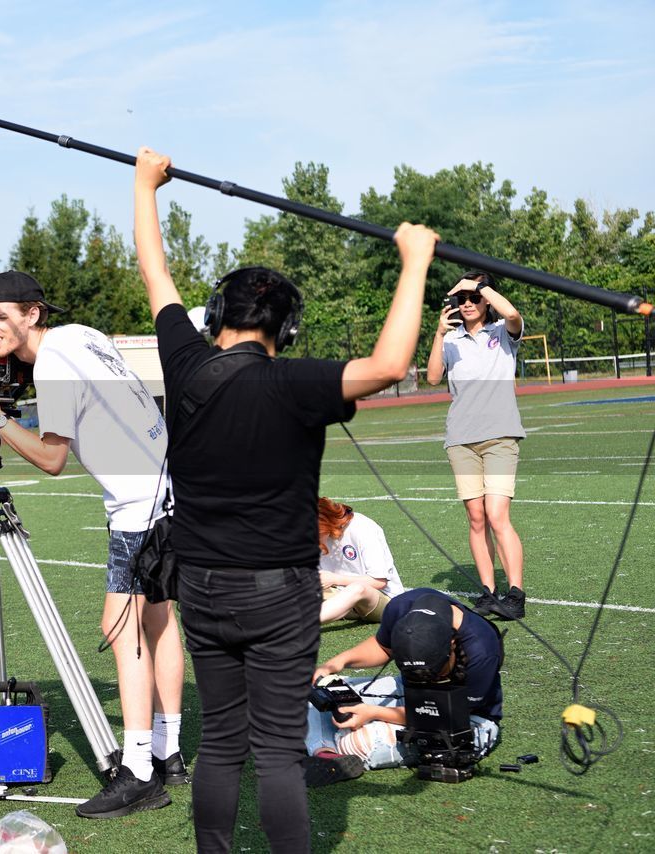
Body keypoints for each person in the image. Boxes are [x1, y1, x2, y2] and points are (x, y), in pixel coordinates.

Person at [134, 146, 438, 853]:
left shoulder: (184, 365)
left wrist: (145, 185)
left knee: (221, 747)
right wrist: (414, 259)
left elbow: (156, 273)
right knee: (274, 753)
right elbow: (391, 365)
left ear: (216, 319)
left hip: (202, 588)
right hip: (278, 592)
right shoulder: (293, 383)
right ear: (286, 331)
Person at [0, 270, 187, 819]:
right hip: (167, 488)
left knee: (121, 627)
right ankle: (168, 747)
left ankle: (137, 772)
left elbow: (52, 459)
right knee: (157, 620)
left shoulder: (54, 362)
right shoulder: (82, 334)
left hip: (136, 503)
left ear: (32, 313)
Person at [304, 588, 503, 785]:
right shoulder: (402, 607)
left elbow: (447, 716)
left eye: (436, 672)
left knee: (357, 743)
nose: (428, 679)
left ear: (452, 643)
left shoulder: (482, 649)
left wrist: (373, 713)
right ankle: (325, 755)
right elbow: (382, 646)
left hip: (463, 720)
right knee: (316, 692)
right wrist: (336, 663)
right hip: (409, 694)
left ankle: (323, 739)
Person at [425, 271, 526, 619]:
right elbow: (433, 377)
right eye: (461, 298)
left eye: (474, 298)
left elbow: (512, 315)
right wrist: (438, 333)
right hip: (461, 440)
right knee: (476, 517)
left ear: (486, 299)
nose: (467, 303)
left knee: (498, 516)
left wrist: (479, 285)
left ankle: (515, 594)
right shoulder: (451, 340)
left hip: (500, 436)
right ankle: (488, 592)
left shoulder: (502, 333)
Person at [317, 498, 406, 624]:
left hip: (382, 601)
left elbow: (379, 581)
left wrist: (334, 579)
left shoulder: (362, 527)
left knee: (358, 588)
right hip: (342, 599)